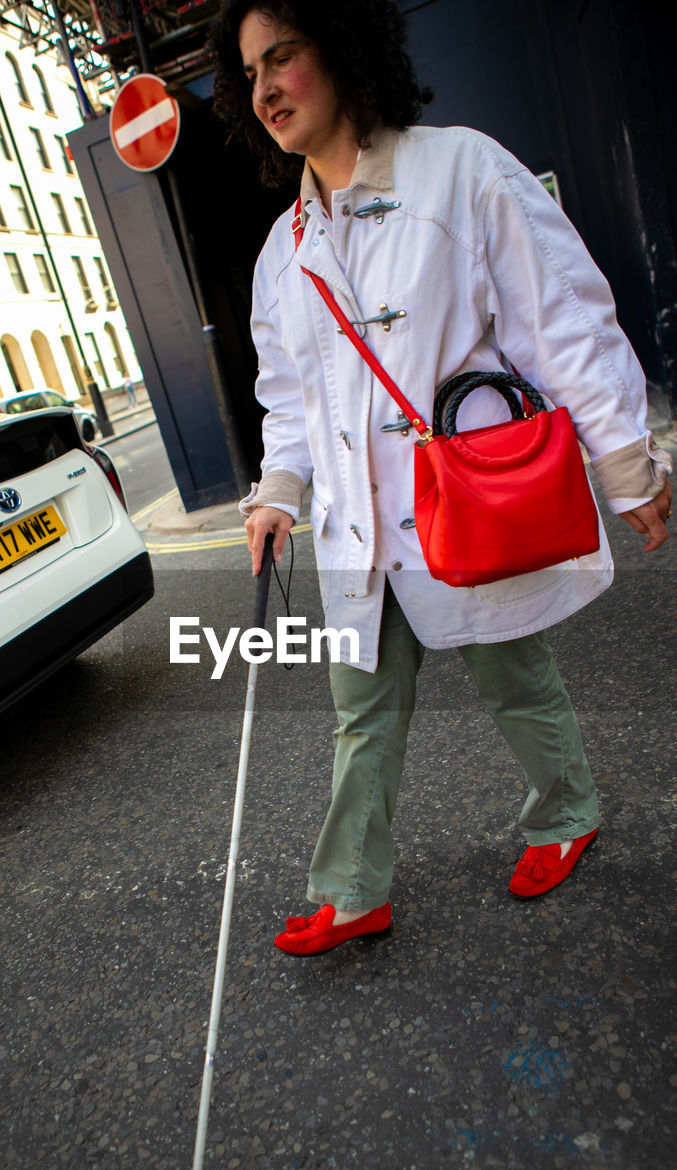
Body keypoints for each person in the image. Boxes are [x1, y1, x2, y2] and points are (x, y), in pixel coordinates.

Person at [209, 0, 673, 957]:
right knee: (359, 711)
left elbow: (560, 316)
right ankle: (351, 891)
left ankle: (566, 812)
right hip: (354, 525)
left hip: (465, 500)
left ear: (339, 54)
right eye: (249, 73)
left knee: (512, 676)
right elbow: (287, 399)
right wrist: (275, 496)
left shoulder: (458, 168)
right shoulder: (279, 250)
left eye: (282, 59)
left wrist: (627, 464)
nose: (263, 90)